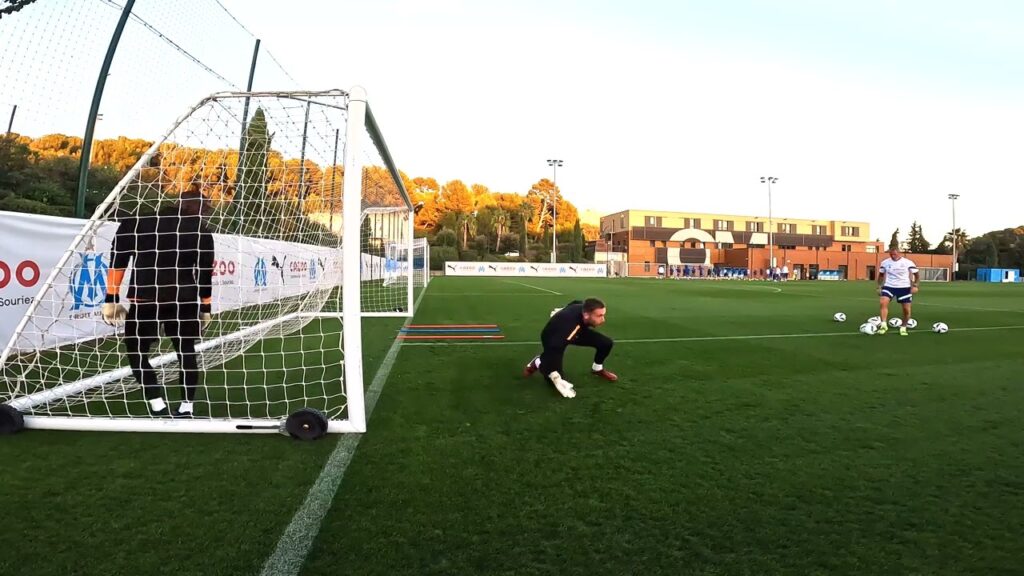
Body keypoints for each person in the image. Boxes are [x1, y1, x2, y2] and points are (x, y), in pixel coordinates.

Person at [102, 186, 215, 416]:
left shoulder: (137, 223)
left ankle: (156, 402)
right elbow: (204, 274)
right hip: (183, 300)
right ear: (198, 208)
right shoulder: (201, 231)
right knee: (186, 351)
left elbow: (118, 262)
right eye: (204, 209)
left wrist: (111, 299)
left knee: (137, 351)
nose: (205, 214)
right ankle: (186, 406)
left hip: (145, 298)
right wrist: (206, 307)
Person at [523, 297, 617, 399]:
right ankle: (538, 361)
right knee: (554, 379)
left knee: (606, 343)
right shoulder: (567, 328)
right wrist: (555, 376)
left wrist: (563, 309)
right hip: (553, 338)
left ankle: (597, 369)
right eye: (599, 316)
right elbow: (555, 348)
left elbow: (576, 302)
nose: (603, 320)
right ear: (586, 315)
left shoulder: (582, 307)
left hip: (576, 331)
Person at [875, 243, 918, 336]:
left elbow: (916, 275)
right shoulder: (885, 263)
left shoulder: (908, 262)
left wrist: (915, 285)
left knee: (906, 310)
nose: (893, 256)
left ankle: (903, 327)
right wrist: (879, 286)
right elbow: (881, 275)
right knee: (883, 302)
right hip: (889, 286)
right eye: (891, 254)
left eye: (894, 254)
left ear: (899, 253)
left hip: (904, 287)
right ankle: (883, 325)